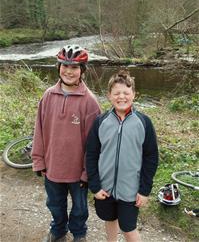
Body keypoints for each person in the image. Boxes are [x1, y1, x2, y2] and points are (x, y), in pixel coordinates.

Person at [31, 45, 101, 242]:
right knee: (55, 203)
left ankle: (79, 233)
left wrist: (88, 172)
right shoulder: (48, 96)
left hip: (77, 171)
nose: (69, 71)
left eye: (75, 67)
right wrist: (38, 160)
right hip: (52, 167)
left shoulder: (90, 102)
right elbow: (40, 130)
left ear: (82, 71)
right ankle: (58, 229)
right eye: (64, 66)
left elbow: (94, 144)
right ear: (58, 67)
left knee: (80, 208)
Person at [86, 70, 159, 242]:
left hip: (131, 190)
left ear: (134, 94)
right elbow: (91, 155)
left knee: (128, 228)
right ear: (109, 95)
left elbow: (151, 158)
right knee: (109, 219)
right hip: (105, 188)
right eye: (116, 93)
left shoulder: (144, 123)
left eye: (126, 93)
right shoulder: (100, 122)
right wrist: (95, 186)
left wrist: (144, 190)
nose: (121, 97)